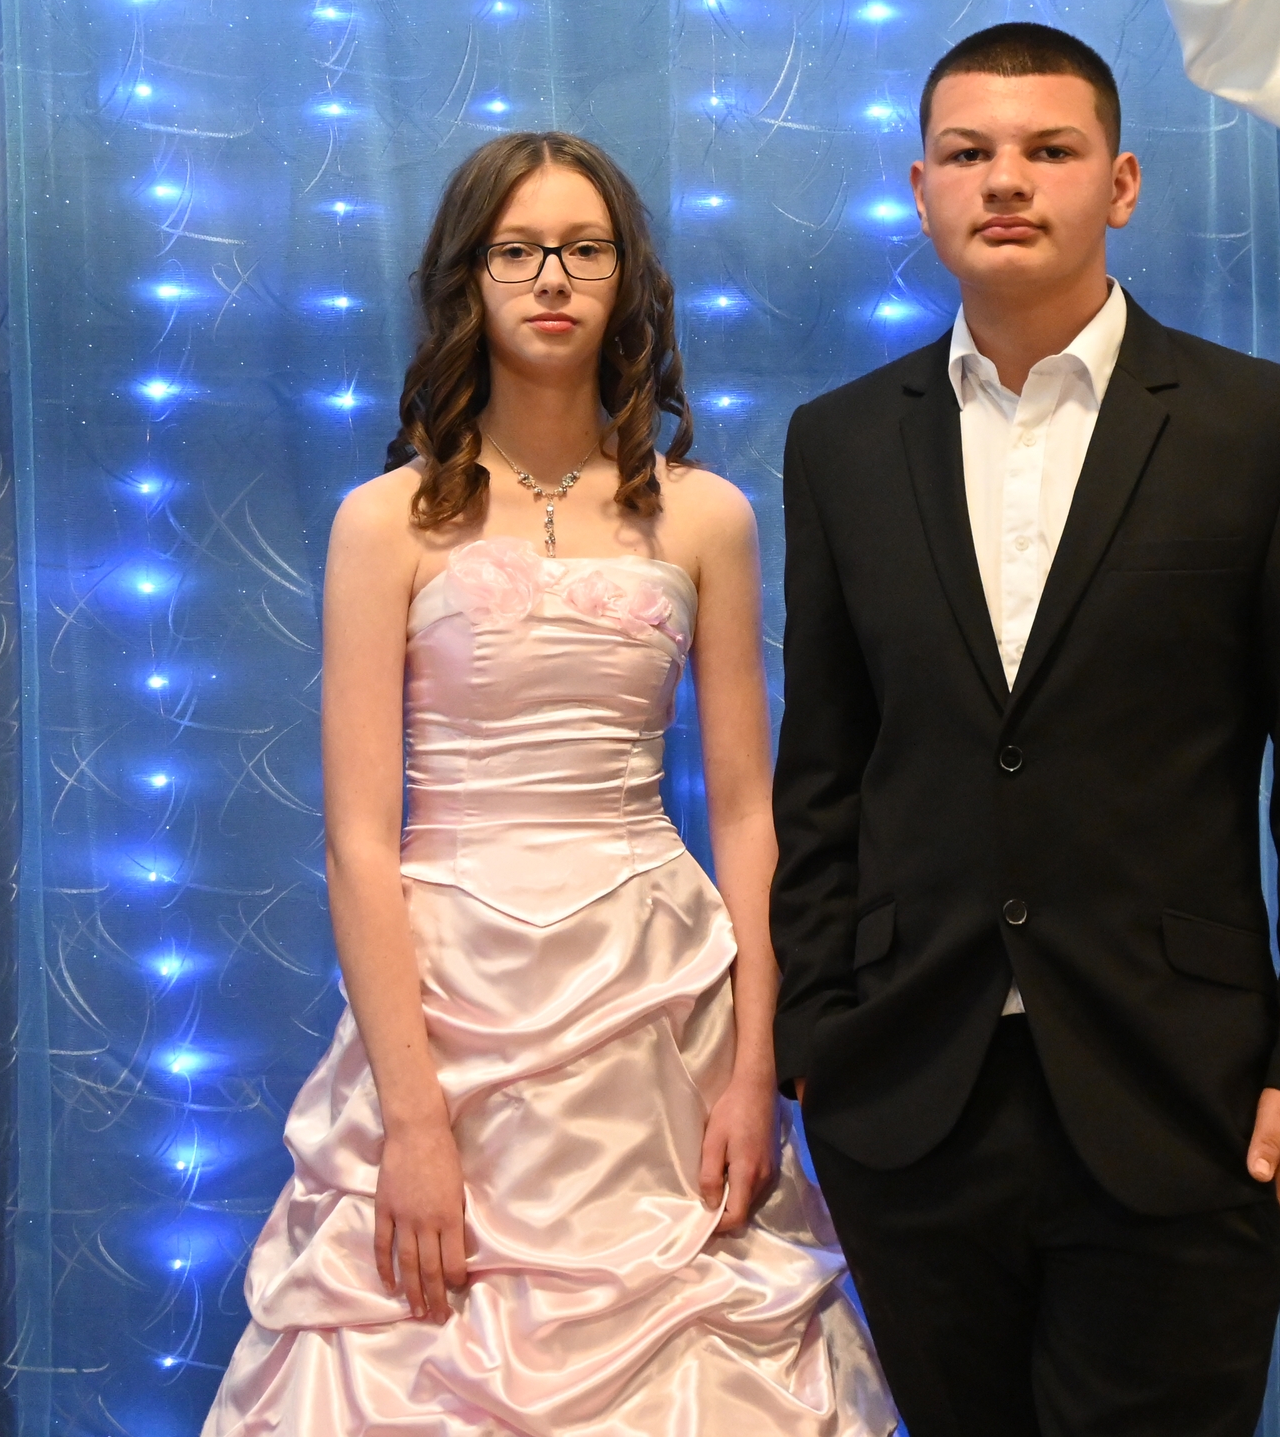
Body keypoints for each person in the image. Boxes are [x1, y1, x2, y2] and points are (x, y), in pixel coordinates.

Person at [203, 133, 892, 1436]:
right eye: (516, 251)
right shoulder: (382, 521)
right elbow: (359, 841)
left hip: (660, 999)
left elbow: (750, 811)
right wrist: (413, 1124)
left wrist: (758, 1066)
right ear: (466, 277)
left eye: (584, 249)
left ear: (627, 278)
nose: (553, 279)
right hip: (448, 997)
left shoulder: (707, 516)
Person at [770, 23, 1280, 1436]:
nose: (1007, 180)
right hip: (909, 1097)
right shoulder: (841, 441)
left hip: (1181, 1092)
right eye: (968, 152)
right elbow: (825, 770)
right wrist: (817, 1035)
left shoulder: (1263, 427)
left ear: (1119, 184)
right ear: (920, 187)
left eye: (1049, 150)